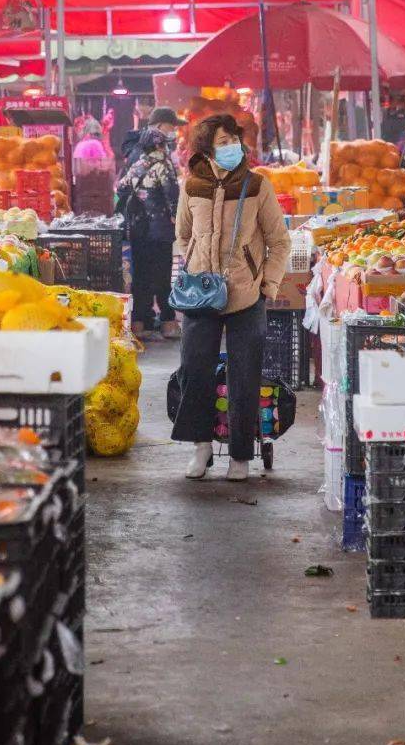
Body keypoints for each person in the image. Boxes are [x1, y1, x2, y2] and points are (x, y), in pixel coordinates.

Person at [170, 114, 291, 482]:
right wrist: (189, 270)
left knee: (244, 375)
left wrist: (267, 285)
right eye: (222, 141)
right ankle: (200, 446)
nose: (230, 147)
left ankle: (240, 455)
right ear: (207, 148)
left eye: (233, 140)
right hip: (200, 296)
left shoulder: (257, 185)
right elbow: (182, 236)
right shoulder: (192, 187)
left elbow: (279, 242)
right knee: (195, 368)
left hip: (245, 294)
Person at [116, 126, 181, 340]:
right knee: (162, 276)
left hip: (137, 229)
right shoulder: (164, 166)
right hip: (159, 231)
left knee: (141, 276)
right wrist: (177, 218)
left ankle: (138, 323)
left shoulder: (137, 165)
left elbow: (121, 189)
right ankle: (168, 322)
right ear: (159, 145)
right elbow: (173, 196)